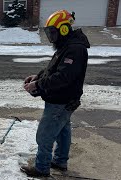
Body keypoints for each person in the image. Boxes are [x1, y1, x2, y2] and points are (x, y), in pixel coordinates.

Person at [20, 10, 90, 177]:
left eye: (53, 32)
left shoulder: (74, 49)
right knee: (63, 131)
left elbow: (62, 77)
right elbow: (54, 68)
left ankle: (41, 168)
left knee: (44, 135)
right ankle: (60, 161)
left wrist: (38, 84)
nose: (51, 36)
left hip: (61, 100)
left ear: (64, 29)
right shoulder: (67, 45)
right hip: (64, 99)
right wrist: (38, 76)